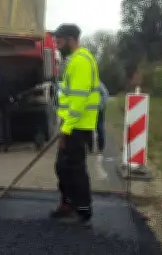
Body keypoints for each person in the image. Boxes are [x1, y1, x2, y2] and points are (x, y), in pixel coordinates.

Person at [51, 24, 101, 225]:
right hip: (74, 124)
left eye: (59, 41)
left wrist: (66, 129)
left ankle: (82, 209)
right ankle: (70, 203)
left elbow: (78, 101)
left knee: (74, 168)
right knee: (64, 167)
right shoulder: (75, 60)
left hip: (78, 126)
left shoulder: (80, 61)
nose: (57, 46)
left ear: (71, 39)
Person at [94, 82, 110, 154]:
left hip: (98, 110)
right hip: (87, 110)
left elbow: (105, 94)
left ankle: (100, 147)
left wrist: (100, 105)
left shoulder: (98, 84)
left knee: (99, 128)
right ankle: (89, 147)